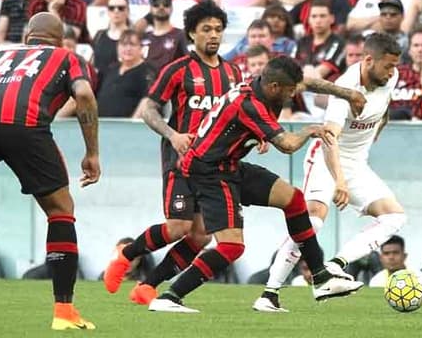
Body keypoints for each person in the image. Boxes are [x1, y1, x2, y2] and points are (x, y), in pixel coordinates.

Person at [104, 1, 367, 306]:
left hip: (225, 163)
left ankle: (148, 287)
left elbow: (249, 111)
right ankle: (129, 258)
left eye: (218, 29)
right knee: (182, 227)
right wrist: (173, 134)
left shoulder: (232, 72)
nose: (214, 35)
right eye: (206, 29)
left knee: (203, 234)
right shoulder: (178, 70)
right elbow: (149, 110)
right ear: (191, 33)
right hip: (184, 161)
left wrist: (257, 134)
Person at [148, 56, 365, 313]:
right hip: (209, 173)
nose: (293, 94)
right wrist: (309, 130)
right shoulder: (250, 105)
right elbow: (287, 146)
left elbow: (307, 83)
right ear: (274, 87)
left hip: (229, 165)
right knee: (231, 247)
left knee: (293, 199)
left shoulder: (265, 85)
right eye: (289, 91)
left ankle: (320, 278)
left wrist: (349, 94)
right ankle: (169, 297)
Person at [253, 33, 406, 313]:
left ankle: (335, 266)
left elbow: (384, 108)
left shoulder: (390, 78)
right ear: (368, 60)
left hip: (357, 163)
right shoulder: (345, 88)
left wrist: (377, 132)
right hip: (325, 159)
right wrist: (340, 182)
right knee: (312, 222)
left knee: (394, 216)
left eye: (395, 66)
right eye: (387, 66)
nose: (392, 72)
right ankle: (269, 293)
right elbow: (329, 138)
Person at [0, 12, 99, 330]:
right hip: (25, 126)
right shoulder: (68, 56)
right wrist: (92, 152)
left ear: (26, 37)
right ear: (60, 39)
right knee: (61, 210)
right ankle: (64, 312)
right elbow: (85, 95)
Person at [96, 29, 155, 118]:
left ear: (141, 48)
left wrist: (132, 123)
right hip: (102, 124)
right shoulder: (110, 69)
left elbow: (147, 100)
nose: (128, 48)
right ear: (117, 47)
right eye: (124, 44)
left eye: (132, 44)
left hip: (129, 127)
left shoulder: (147, 71)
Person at [140, 0, 188, 72]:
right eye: (156, 5)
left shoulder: (180, 35)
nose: (161, 7)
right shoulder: (144, 37)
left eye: (166, 4)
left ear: (171, 8)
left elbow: (187, 63)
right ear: (151, 9)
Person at [91, 0, 130, 79]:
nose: (116, 11)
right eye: (112, 8)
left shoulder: (133, 37)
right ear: (108, 11)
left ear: (127, 11)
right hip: (99, 86)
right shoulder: (99, 35)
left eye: (121, 8)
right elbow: (93, 61)